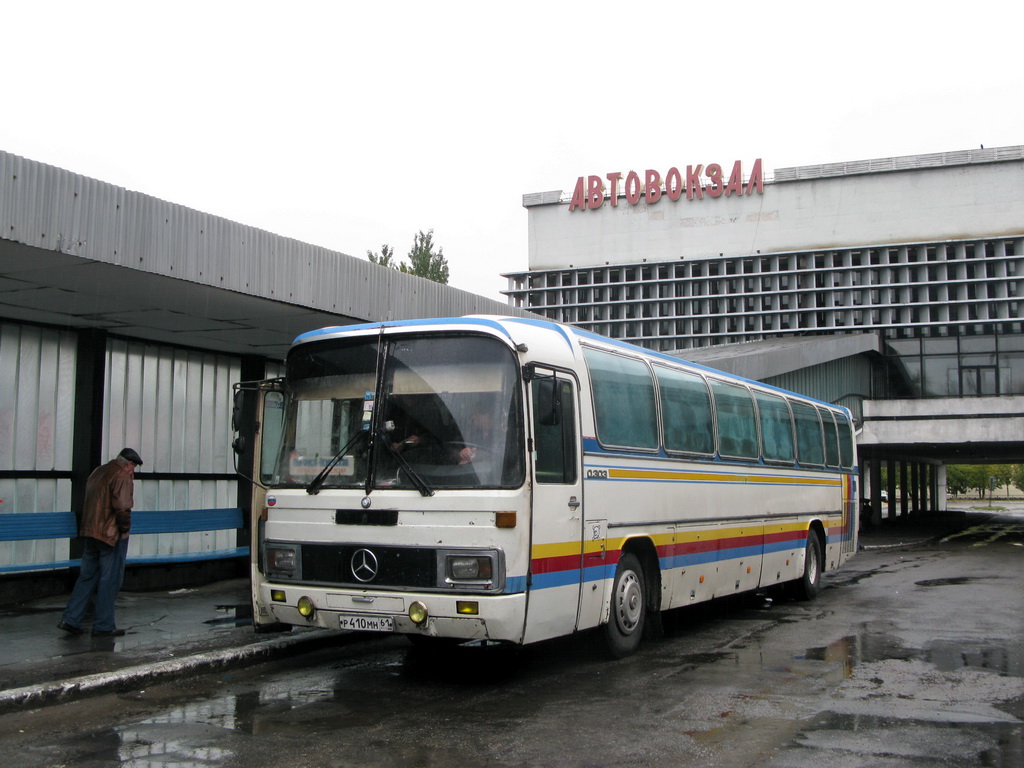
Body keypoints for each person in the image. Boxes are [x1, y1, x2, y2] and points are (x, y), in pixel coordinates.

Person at [57, 447, 143, 638]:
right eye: (133, 467)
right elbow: (122, 508)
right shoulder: (121, 476)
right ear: (128, 464)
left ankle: (71, 619)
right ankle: (103, 625)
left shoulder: (99, 471)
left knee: (87, 577)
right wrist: (125, 530)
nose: (133, 472)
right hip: (110, 535)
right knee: (109, 580)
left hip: (90, 532)